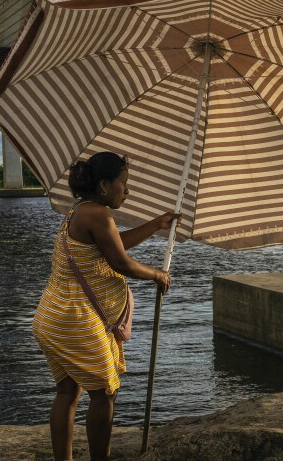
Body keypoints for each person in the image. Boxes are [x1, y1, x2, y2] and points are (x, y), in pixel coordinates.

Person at [33, 152, 177, 461]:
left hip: (53, 317)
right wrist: (157, 274)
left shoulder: (83, 211)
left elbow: (114, 244)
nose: (127, 190)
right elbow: (119, 262)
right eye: (123, 183)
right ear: (103, 185)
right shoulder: (98, 215)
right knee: (105, 393)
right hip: (76, 320)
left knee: (68, 392)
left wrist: (154, 225)